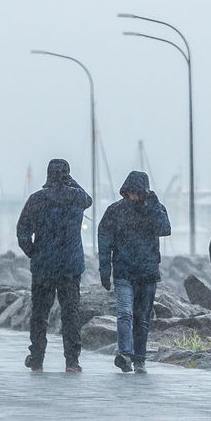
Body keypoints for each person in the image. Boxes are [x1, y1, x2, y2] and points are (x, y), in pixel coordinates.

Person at [17, 159, 92, 373]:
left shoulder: (37, 199)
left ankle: (37, 357)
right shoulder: (77, 197)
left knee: (40, 313)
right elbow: (88, 199)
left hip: (44, 266)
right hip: (70, 266)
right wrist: (71, 182)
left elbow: (22, 230)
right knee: (71, 313)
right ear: (67, 174)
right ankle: (72, 361)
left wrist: (32, 251)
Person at [98, 171, 171, 374]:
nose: (133, 196)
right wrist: (105, 270)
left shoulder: (154, 209)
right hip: (123, 271)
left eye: (137, 192)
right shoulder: (114, 211)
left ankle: (139, 359)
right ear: (125, 191)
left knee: (142, 317)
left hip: (147, 272)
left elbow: (165, 229)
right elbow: (104, 239)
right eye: (130, 192)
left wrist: (153, 204)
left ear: (144, 192)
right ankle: (125, 354)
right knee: (124, 314)